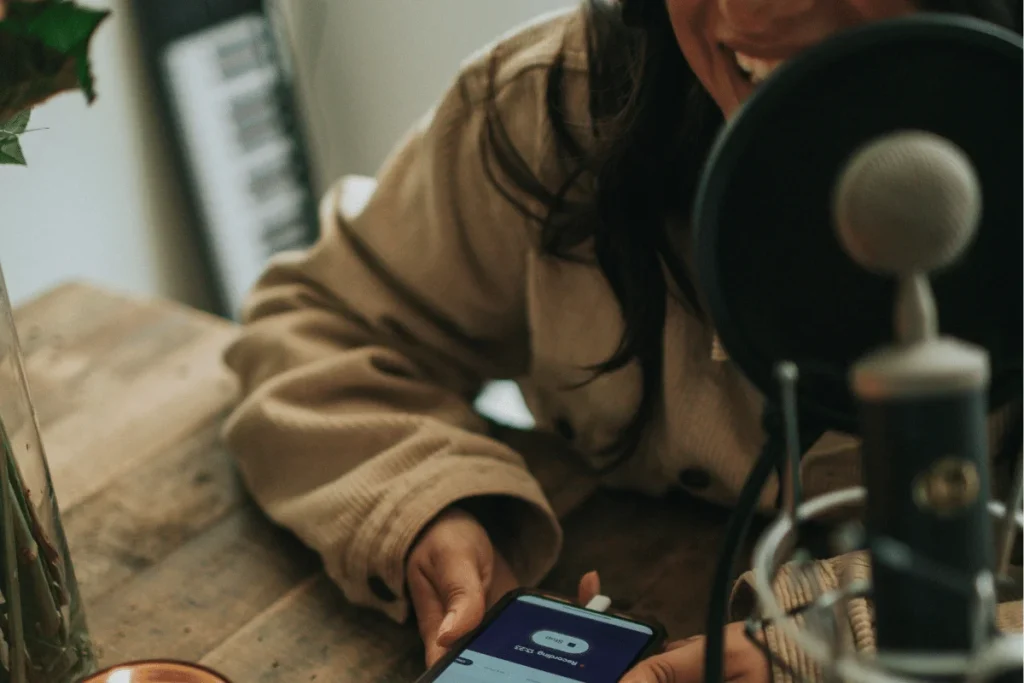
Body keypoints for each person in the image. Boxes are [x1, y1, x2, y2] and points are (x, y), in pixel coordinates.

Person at [222, 1, 1023, 681]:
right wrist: (421, 501)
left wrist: (840, 639)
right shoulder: (549, 110)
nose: (742, 11)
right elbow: (319, 322)